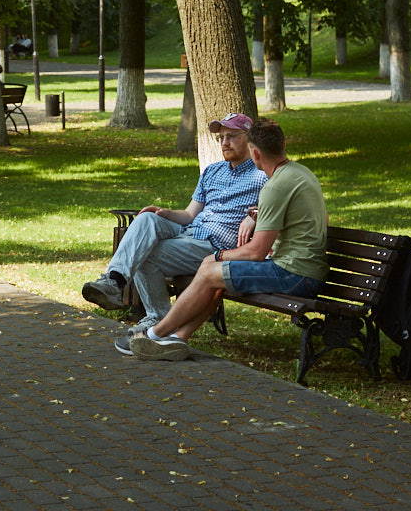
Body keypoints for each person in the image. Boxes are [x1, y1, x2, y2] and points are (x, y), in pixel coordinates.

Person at [128, 117, 329, 361]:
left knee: (210, 270)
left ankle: (154, 334)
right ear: (282, 144)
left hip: (294, 274)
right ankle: (177, 339)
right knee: (216, 277)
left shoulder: (275, 186)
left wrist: (217, 255)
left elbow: (255, 252)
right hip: (304, 269)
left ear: (255, 154)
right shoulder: (299, 172)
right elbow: (320, 219)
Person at [82, 113, 267, 349]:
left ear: (249, 138)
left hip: (215, 246)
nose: (224, 142)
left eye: (231, 136)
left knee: (145, 254)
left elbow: (281, 204)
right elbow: (189, 215)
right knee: (147, 218)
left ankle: (156, 317)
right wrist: (166, 212)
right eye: (221, 138)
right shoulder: (213, 171)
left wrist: (255, 216)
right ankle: (114, 282)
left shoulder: (262, 175)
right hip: (189, 231)